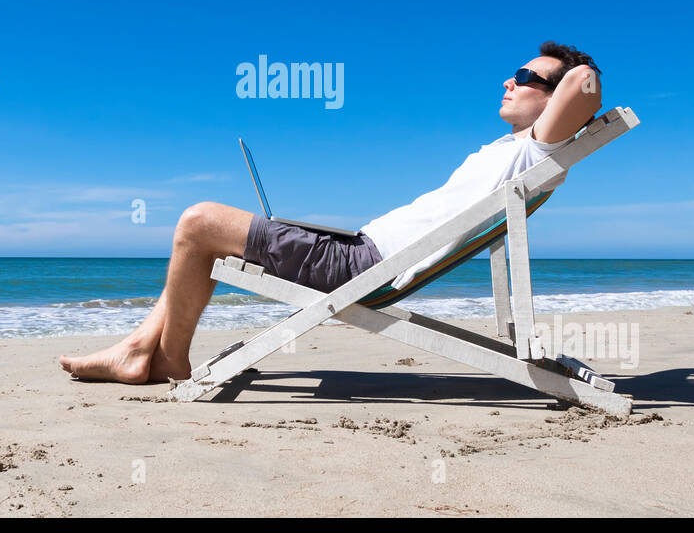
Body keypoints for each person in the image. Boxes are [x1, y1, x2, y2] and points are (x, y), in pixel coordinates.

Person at [59, 41, 602, 384]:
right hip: (359, 251)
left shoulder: (540, 149)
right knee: (203, 233)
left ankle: (166, 359)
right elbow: (569, 88)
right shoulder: (517, 151)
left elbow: (584, 84)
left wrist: (569, 78)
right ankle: (137, 348)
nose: (509, 81)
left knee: (196, 221)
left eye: (526, 76)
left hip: (363, 268)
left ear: (553, 101)